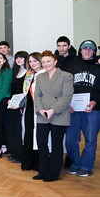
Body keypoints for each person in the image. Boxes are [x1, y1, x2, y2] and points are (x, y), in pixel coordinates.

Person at [33, 50, 74, 182]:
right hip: (42, 115)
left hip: (59, 114)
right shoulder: (40, 77)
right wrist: (40, 110)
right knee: (41, 142)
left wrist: (52, 110)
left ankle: (53, 174)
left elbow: (66, 97)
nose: (46, 64)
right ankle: (43, 171)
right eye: (43, 62)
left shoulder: (66, 76)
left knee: (57, 145)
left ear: (55, 61)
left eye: (48, 61)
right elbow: (37, 96)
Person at [65, 40, 100, 177]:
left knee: (90, 139)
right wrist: (66, 102)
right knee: (71, 139)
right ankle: (75, 164)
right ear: (80, 50)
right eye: (85, 48)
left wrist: (95, 101)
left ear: (94, 51)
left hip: (92, 109)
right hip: (73, 108)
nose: (87, 51)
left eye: (90, 49)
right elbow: (65, 86)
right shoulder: (71, 65)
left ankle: (86, 166)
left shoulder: (98, 67)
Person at [21, 53, 43, 172]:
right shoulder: (29, 74)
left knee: (38, 135)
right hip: (29, 108)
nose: (32, 63)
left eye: (35, 61)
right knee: (28, 133)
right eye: (30, 61)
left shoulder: (45, 74)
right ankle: (28, 162)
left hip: (40, 108)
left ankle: (38, 163)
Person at [6, 51, 29, 163]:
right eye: (17, 58)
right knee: (13, 129)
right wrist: (10, 100)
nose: (19, 60)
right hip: (13, 105)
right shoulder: (15, 72)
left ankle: (20, 155)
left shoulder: (28, 74)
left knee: (21, 130)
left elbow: (27, 92)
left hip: (22, 106)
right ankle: (14, 152)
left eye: (21, 58)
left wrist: (22, 105)